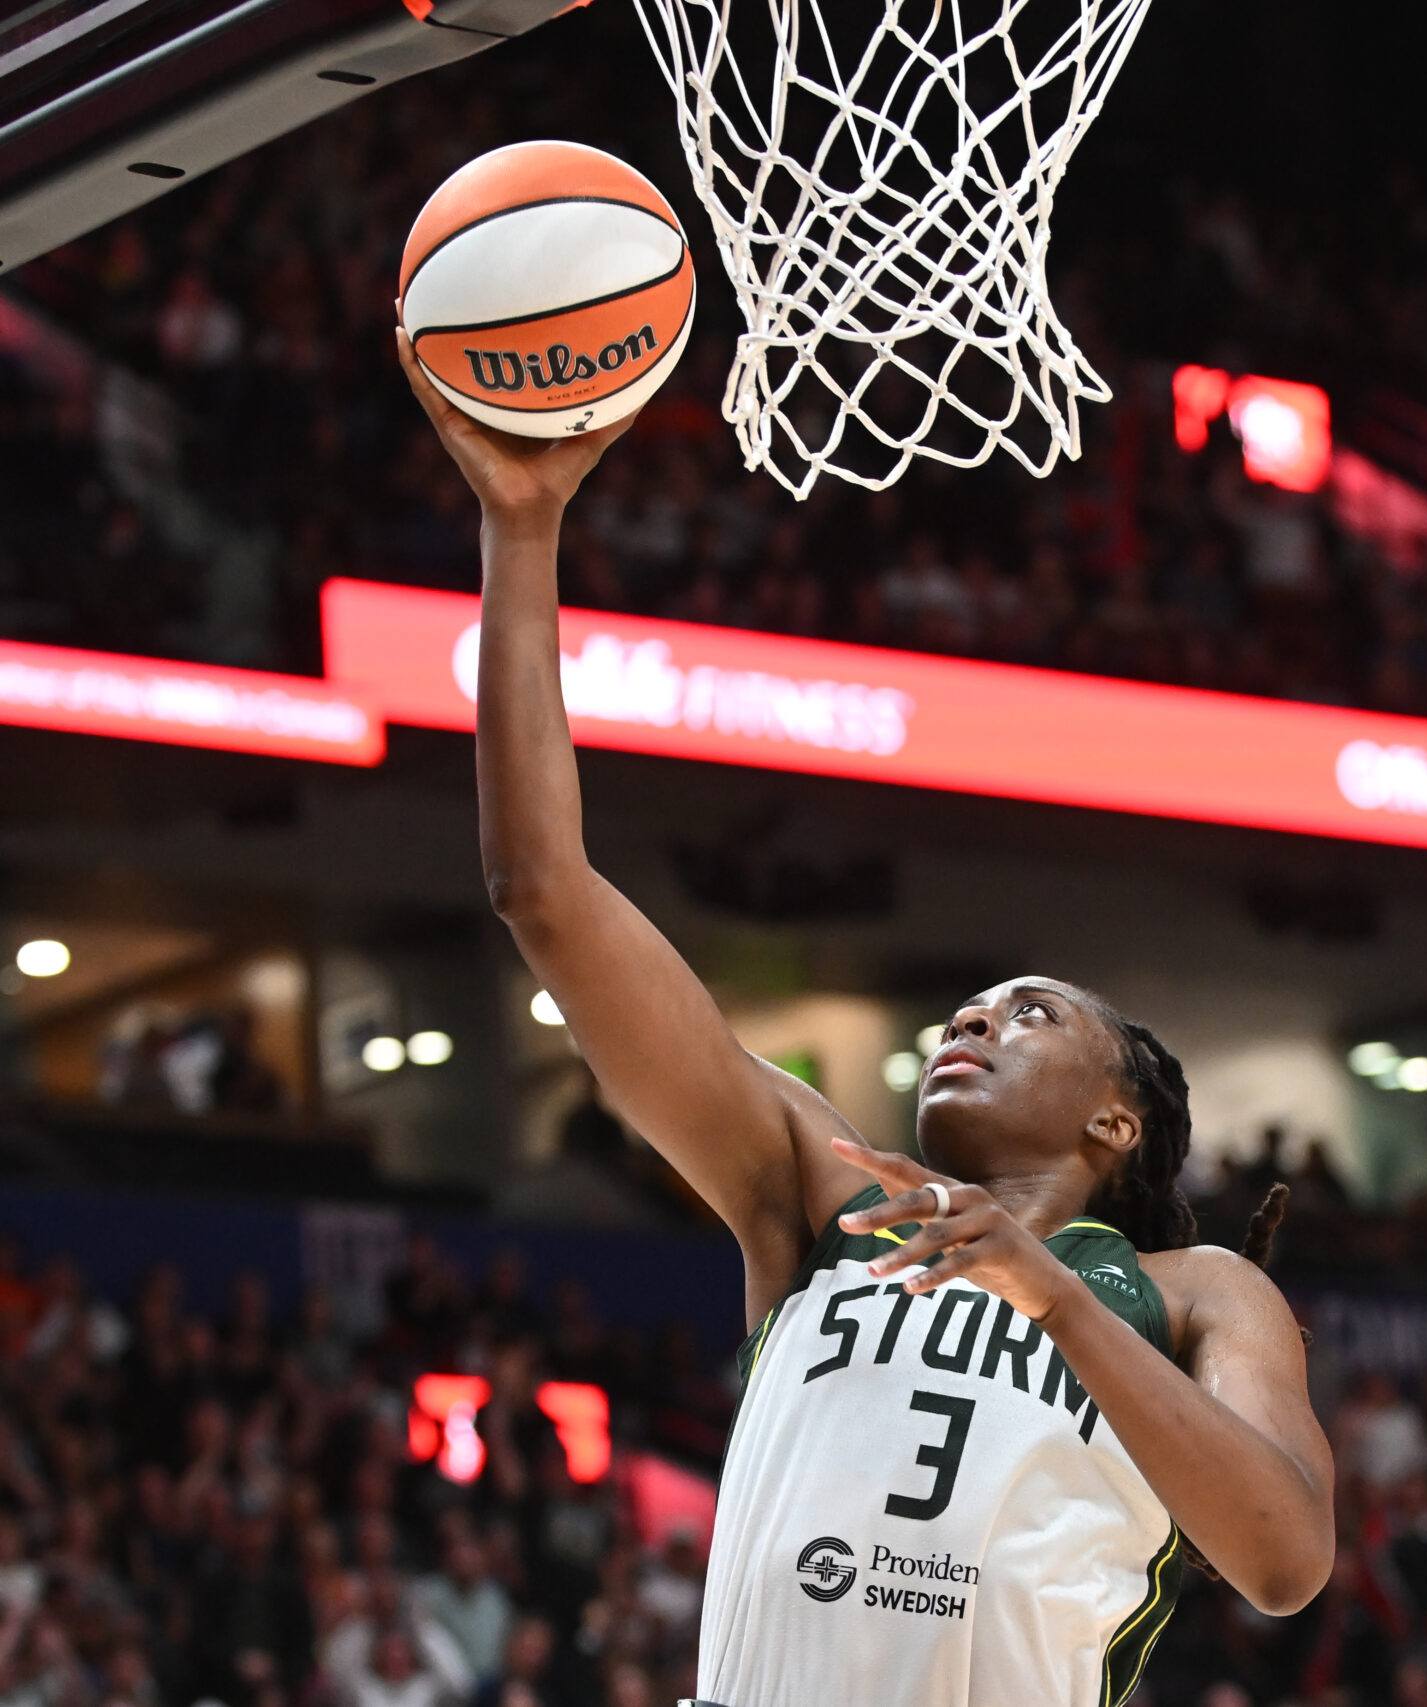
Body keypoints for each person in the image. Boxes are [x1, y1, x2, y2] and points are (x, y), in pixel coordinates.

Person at [395, 336, 1335, 1707]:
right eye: (968, 1005)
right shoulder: (818, 1190)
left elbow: (1284, 1556)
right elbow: (540, 891)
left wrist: (1058, 1298)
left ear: (1115, 1117)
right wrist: (520, 526)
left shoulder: (1193, 1295)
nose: (975, 1018)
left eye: (1028, 1012)